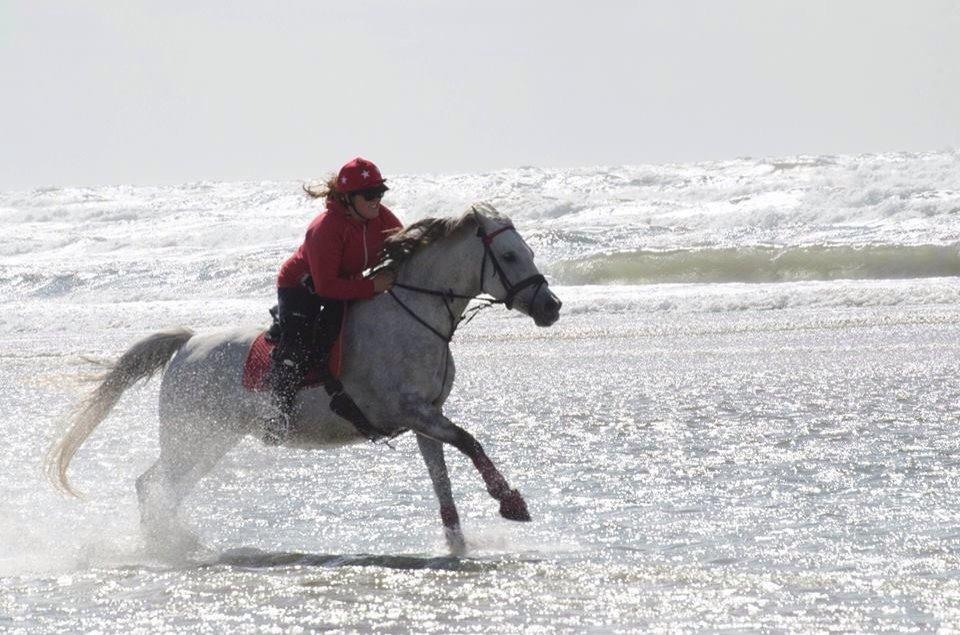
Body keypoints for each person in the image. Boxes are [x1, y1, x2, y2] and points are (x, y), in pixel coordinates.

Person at [264, 157, 402, 445]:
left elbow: (406, 246)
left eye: (381, 193)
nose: (377, 200)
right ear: (348, 199)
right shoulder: (325, 228)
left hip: (346, 283)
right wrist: (372, 285)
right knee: (298, 346)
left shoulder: (381, 217)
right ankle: (277, 413)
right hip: (301, 287)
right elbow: (326, 287)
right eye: (370, 195)